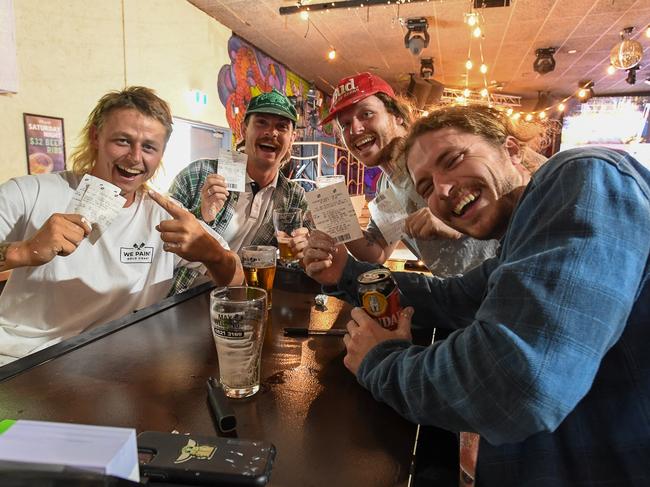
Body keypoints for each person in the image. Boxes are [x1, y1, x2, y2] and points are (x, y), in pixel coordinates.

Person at [304, 105, 650, 486]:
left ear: (512, 150)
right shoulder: (520, 236)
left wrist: (380, 361)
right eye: (426, 188)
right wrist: (348, 273)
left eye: (452, 159)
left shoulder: (585, 176)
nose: (444, 190)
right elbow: (450, 298)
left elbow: (519, 383)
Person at [0, 86, 243, 366]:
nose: (135, 157)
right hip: (18, 365)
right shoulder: (31, 193)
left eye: (149, 147)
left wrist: (212, 253)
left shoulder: (163, 215)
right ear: (95, 137)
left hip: (114, 368)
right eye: (123, 141)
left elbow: (236, 278)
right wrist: (25, 251)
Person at [321, 72, 499, 276]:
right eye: (344, 124)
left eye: (366, 114)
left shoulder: (435, 152)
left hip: (509, 281)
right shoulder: (385, 186)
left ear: (397, 116)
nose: (355, 129)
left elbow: (509, 195)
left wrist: (455, 223)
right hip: (464, 297)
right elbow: (377, 251)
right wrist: (339, 221)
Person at [169, 89, 312, 294]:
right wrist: (203, 218)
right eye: (261, 122)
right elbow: (157, 245)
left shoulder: (294, 197)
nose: (271, 132)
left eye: (282, 127)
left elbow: (297, 264)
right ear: (244, 129)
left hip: (245, 300)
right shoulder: (199, 174)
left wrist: (304, 250)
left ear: (292, 138)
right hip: (184, 295)